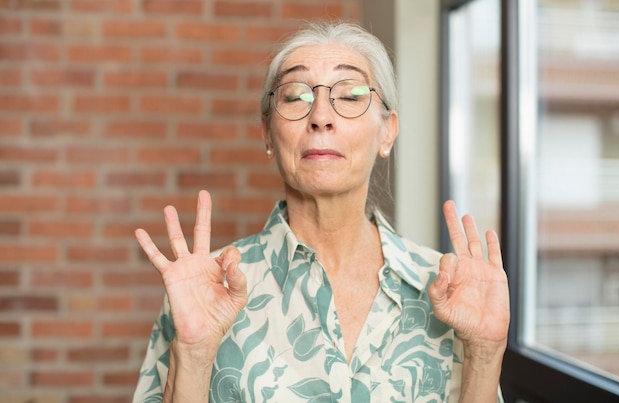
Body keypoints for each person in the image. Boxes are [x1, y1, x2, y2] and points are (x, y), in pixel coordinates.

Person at [132, 21, 510, 403]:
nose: (321, 116)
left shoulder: (450, 293)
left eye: (350, 95)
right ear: (267, 132)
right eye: (296, 96)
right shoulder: (203, 291)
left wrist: (486, 353)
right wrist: (194, 357)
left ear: (388, 131)